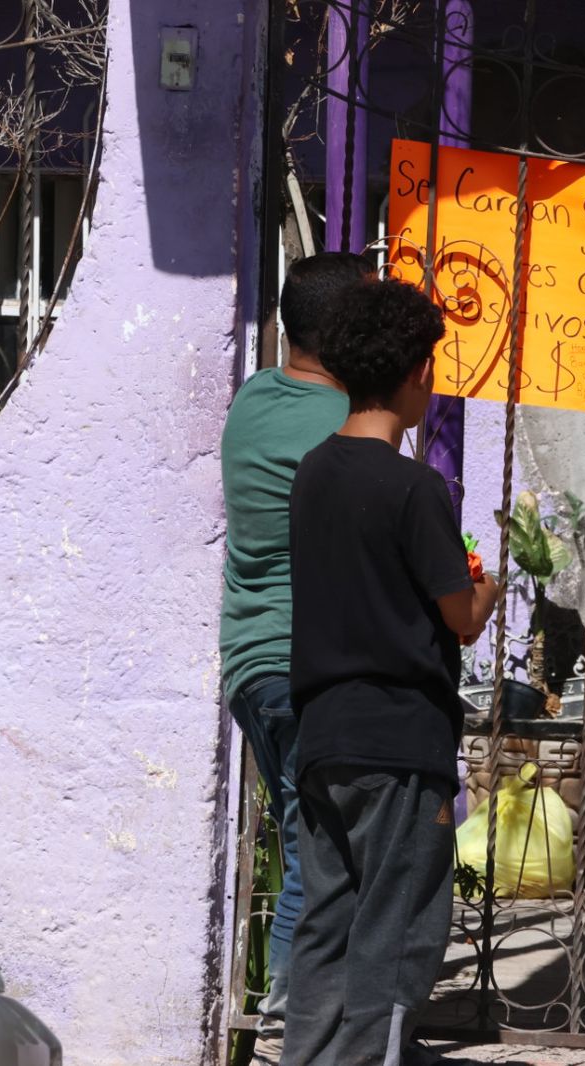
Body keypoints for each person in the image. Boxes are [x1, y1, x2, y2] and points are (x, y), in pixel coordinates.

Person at [281, 278, 499, 1066]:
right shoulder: (414, 487)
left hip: (324, 737)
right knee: (396, 933)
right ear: (416, 373)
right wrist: (485, 589)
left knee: (329, 924)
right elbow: (460, 615)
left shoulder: (313, 473)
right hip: (400, 742)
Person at [220, 251, 373, 1031]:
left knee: (307, 835)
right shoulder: (344, 425)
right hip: (313, 663)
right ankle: (299, 1007)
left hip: (254, 663)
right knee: (330, 849)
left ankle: (301, 1007)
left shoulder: (253, 399)